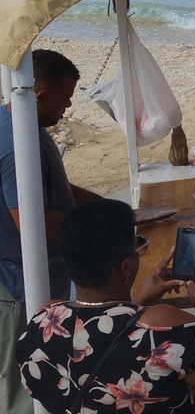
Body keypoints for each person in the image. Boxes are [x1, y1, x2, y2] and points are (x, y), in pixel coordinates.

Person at [16, 199, 195, 413]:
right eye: (139, 245)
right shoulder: (160, 326)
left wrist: (137, 303)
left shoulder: (41, 324)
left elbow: (100, 341)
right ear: (125, 268)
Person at [0, 50, 101, 414]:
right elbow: (31, 222)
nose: (68, 107)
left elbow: (55, 188)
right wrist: (95, 232)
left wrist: (106, 207)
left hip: (41, 277)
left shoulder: (31, 127)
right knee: (23, 391)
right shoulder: (14, 143)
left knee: (48, 375)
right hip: (18, 286)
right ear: (39, 96)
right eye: (65, 99)